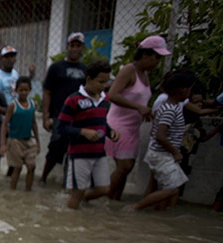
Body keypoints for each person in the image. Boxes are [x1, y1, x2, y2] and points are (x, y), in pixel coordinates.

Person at [106, 35, 170, 200]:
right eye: (156, 57)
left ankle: (114, 202)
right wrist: (138, 107)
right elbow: (112, 94)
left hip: (133, 127)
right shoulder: (129, 70)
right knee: (124, 166)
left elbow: (140, 101)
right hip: (118, 125)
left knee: (128, 167)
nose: (158, 62)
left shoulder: (145, 74)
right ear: (145, 54)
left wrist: (147, 111)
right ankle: (99, 197)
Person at [56, 61, 119, 209]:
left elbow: (101, 122)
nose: (104, 85)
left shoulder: (105, 100)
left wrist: (111, 132)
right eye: (101, 81)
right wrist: (83, 132)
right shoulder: (73, 100)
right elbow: (61, 127)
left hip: (99, 153)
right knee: (77, 192)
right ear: (89, 79)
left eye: (106, 81)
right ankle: (71, 223)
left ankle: (82, 204)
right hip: (79, 154)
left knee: (104, 188)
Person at [129, 72, 194, 211]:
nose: (190, 92)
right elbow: (160, 135)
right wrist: (175, 152)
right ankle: (136, 207)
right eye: (189, 89)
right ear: (183, 90)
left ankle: (159, 213)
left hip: (162, 154)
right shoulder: (170, 109)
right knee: (171, 189)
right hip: (161, 155)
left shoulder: (170, 107)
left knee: (171, 188)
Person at [40, 32, 87, 184]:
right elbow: (47, 92)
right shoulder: (56, 68)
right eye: (71, 45)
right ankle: (43, 178)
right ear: (67, 47)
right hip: (59, 116)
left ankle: (67, 184)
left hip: (79, 118)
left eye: (77, 46)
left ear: (82, 48)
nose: (74, 49)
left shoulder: (86, 70)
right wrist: (46, 116)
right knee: (55, 148)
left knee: (73, 151)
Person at [0, 77, 40, 191]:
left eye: (26, 90)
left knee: (31, 167)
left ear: (30, 90)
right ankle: (13, 192)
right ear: (16, 91)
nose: (23, 92)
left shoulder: (32, 104)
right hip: (15, 141)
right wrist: (3, 144)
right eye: (21, 90)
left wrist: (37, 141)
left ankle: (28, 191)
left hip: (28, 140)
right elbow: (4, 124)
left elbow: (34, 123)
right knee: (17, 168)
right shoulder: (13, 105)